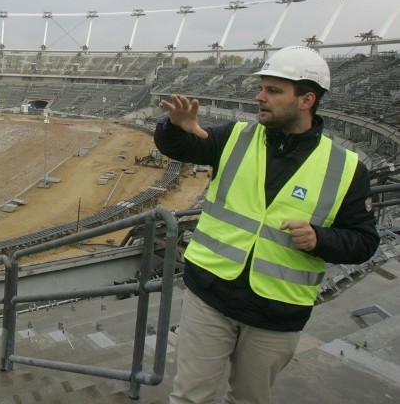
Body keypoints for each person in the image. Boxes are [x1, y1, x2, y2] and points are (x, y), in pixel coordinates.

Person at [155, 45, 379, 404]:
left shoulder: (347, 169)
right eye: (262, 87)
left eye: (273, 91)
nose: (260, 97)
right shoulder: (235, 137)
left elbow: (365, 242)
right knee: (189, 397)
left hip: (276, 314)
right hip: (209, 296)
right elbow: (185, 146)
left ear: (307, 100)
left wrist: (321, 239)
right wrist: (172, 127)